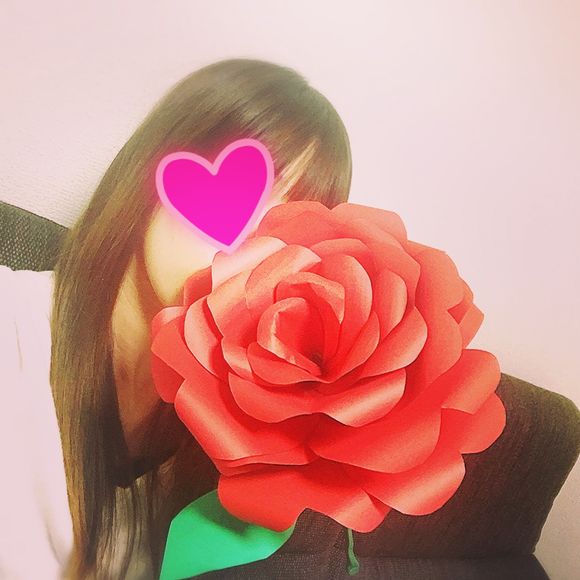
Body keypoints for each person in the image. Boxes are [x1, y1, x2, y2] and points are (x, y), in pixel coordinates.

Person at [0, 58, 352, 579]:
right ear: (157, 171)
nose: (251, 247)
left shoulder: (215, 455)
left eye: (286, 226)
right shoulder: (12, 326)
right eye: (245, 190)